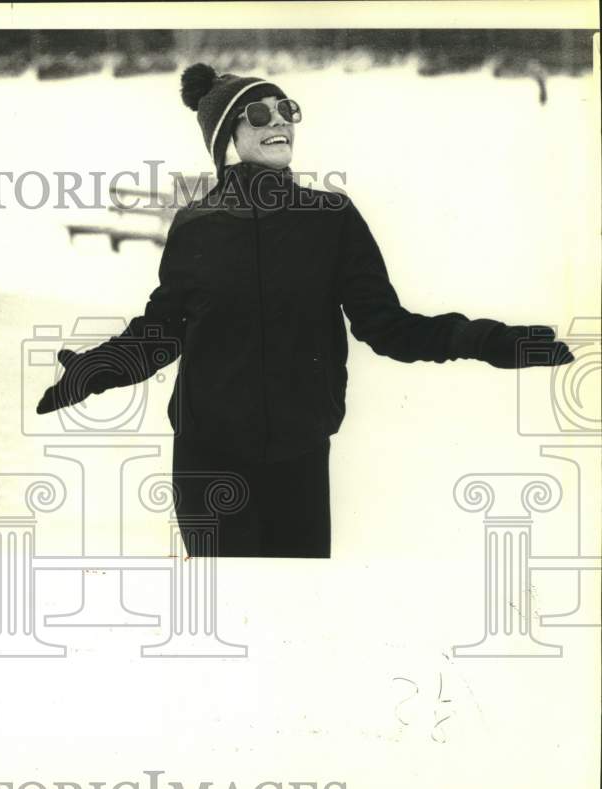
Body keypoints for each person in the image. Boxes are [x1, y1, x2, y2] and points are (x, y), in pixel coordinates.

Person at [37, 62, 574, 559]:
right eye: (259, 113)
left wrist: (487, 341)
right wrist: (97, 369)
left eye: (286, 109)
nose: (280, 123)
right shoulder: (197, 226)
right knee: (228, 615)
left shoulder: (330, 218)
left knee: (298, 617)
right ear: (228, 139)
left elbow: (386, 327)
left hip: (299, 457)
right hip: (209, 456)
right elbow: (161, 331)